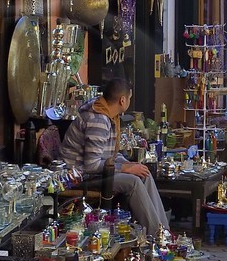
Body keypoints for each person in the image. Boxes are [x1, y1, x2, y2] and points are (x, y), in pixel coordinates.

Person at [57, 77, 170, 234]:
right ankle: (155, 234)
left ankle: (164, 232)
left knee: (144, 173)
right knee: (133, 182)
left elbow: (109, 155)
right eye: (129, 98)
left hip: (97, 172)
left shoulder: (108, 114)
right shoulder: (98, 119)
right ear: (122, 100)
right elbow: (91, 165)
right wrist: (126, 169)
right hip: (79, 177)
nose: (130, 101)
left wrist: (130, 165)